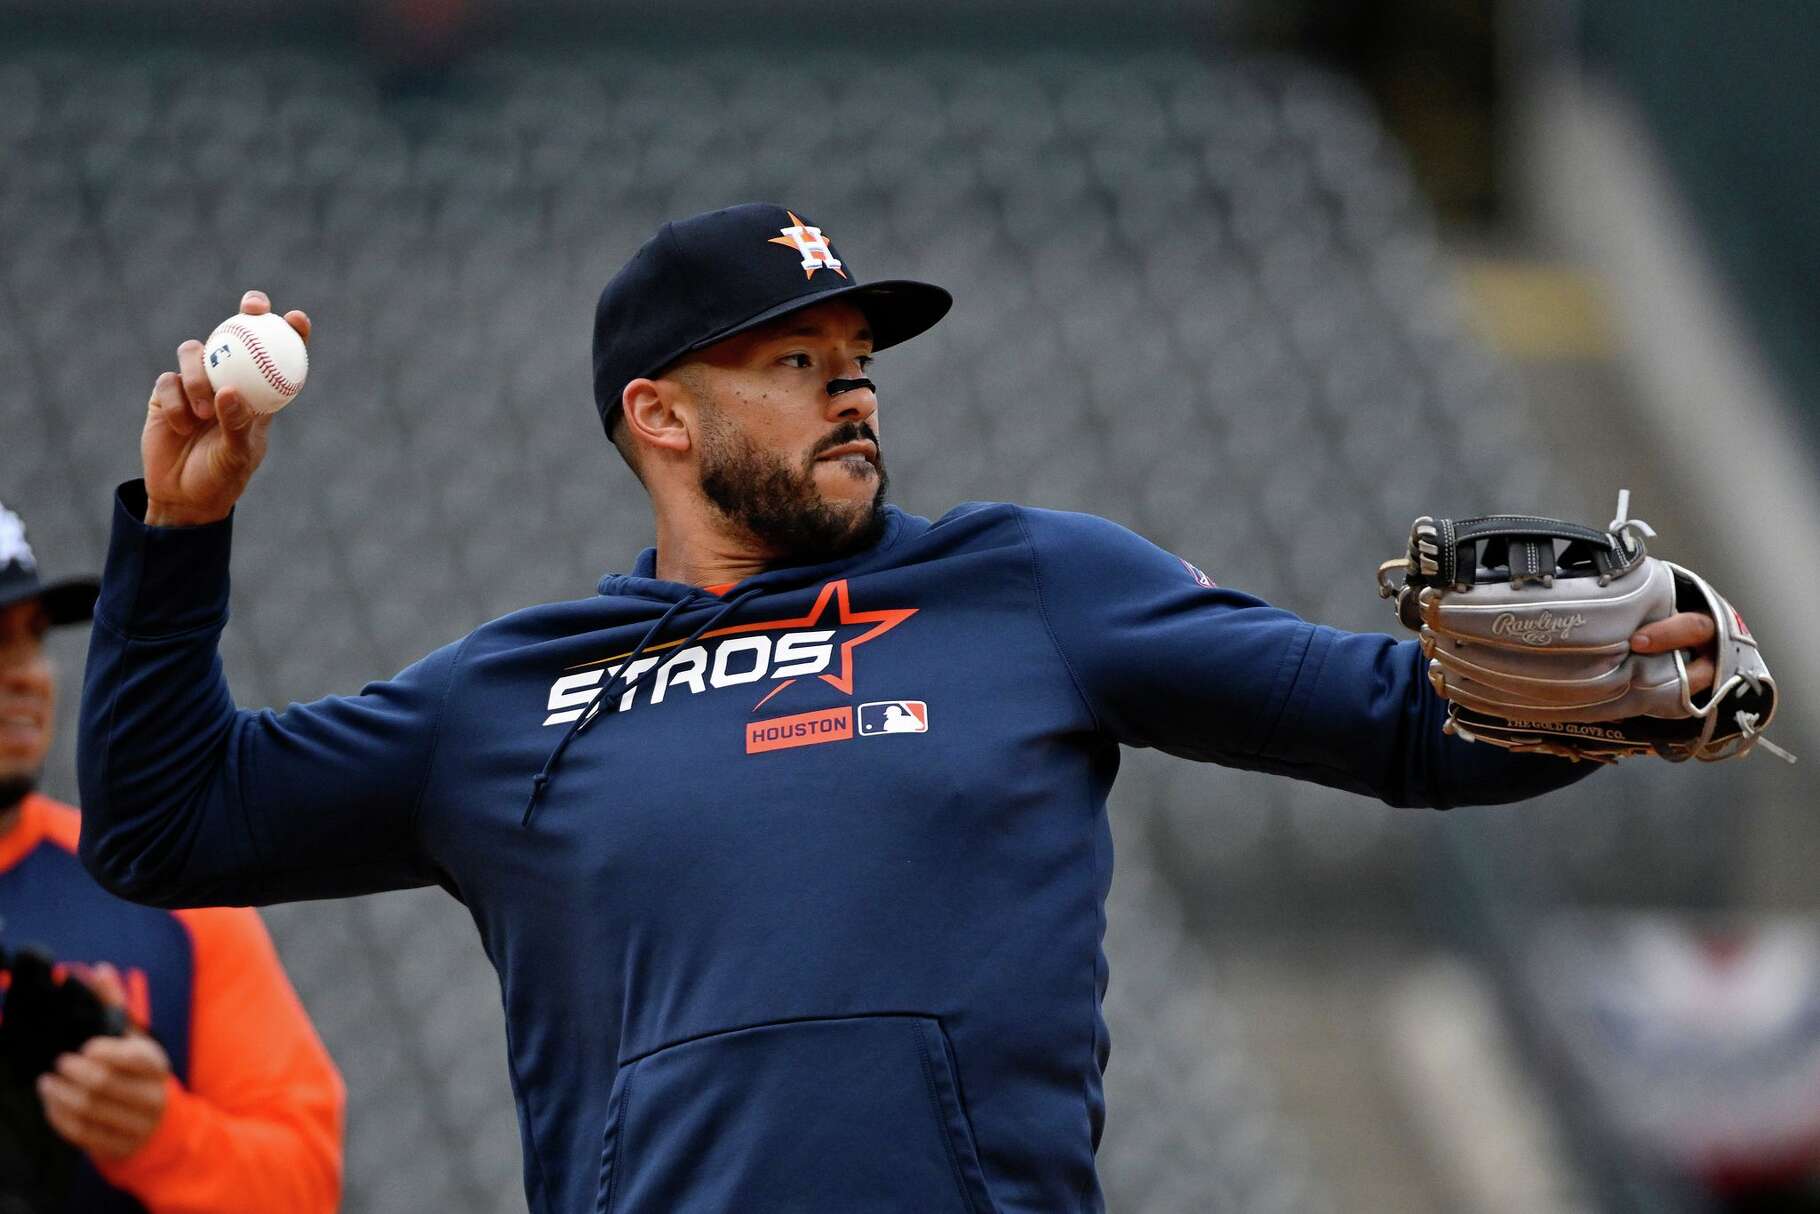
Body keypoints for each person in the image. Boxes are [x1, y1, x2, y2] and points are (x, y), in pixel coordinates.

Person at [77, 203, 1729, 1214]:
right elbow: (164, 822)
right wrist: (182, 527)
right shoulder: (510, 694)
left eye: (859, 351)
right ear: (660, 414)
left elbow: (1402, 722)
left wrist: (1623, 682)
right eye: (793, 359)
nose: (853, 384)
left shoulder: (1031, 585)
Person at [0, 503, 344, 1214]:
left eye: (33, 637)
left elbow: (306, 1184)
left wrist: (157, 1134)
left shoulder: (155, 883)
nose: (28, 674)